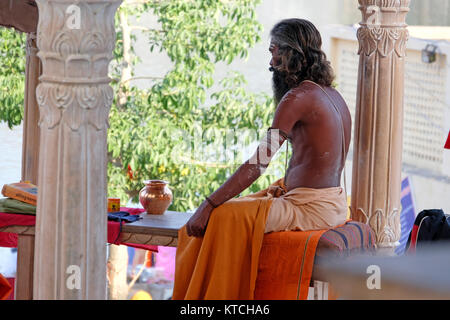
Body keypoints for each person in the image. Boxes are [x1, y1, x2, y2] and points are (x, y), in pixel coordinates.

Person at [173, 18, 352, 300]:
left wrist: (207, 205)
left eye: (274, 52)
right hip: (330, 202)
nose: (271, 63)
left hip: (311, 208)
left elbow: (258, 163)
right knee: (239, 205)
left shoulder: (298, 97)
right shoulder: (333, 95)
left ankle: (209, 299)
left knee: (220, 215)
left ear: (291, 53)